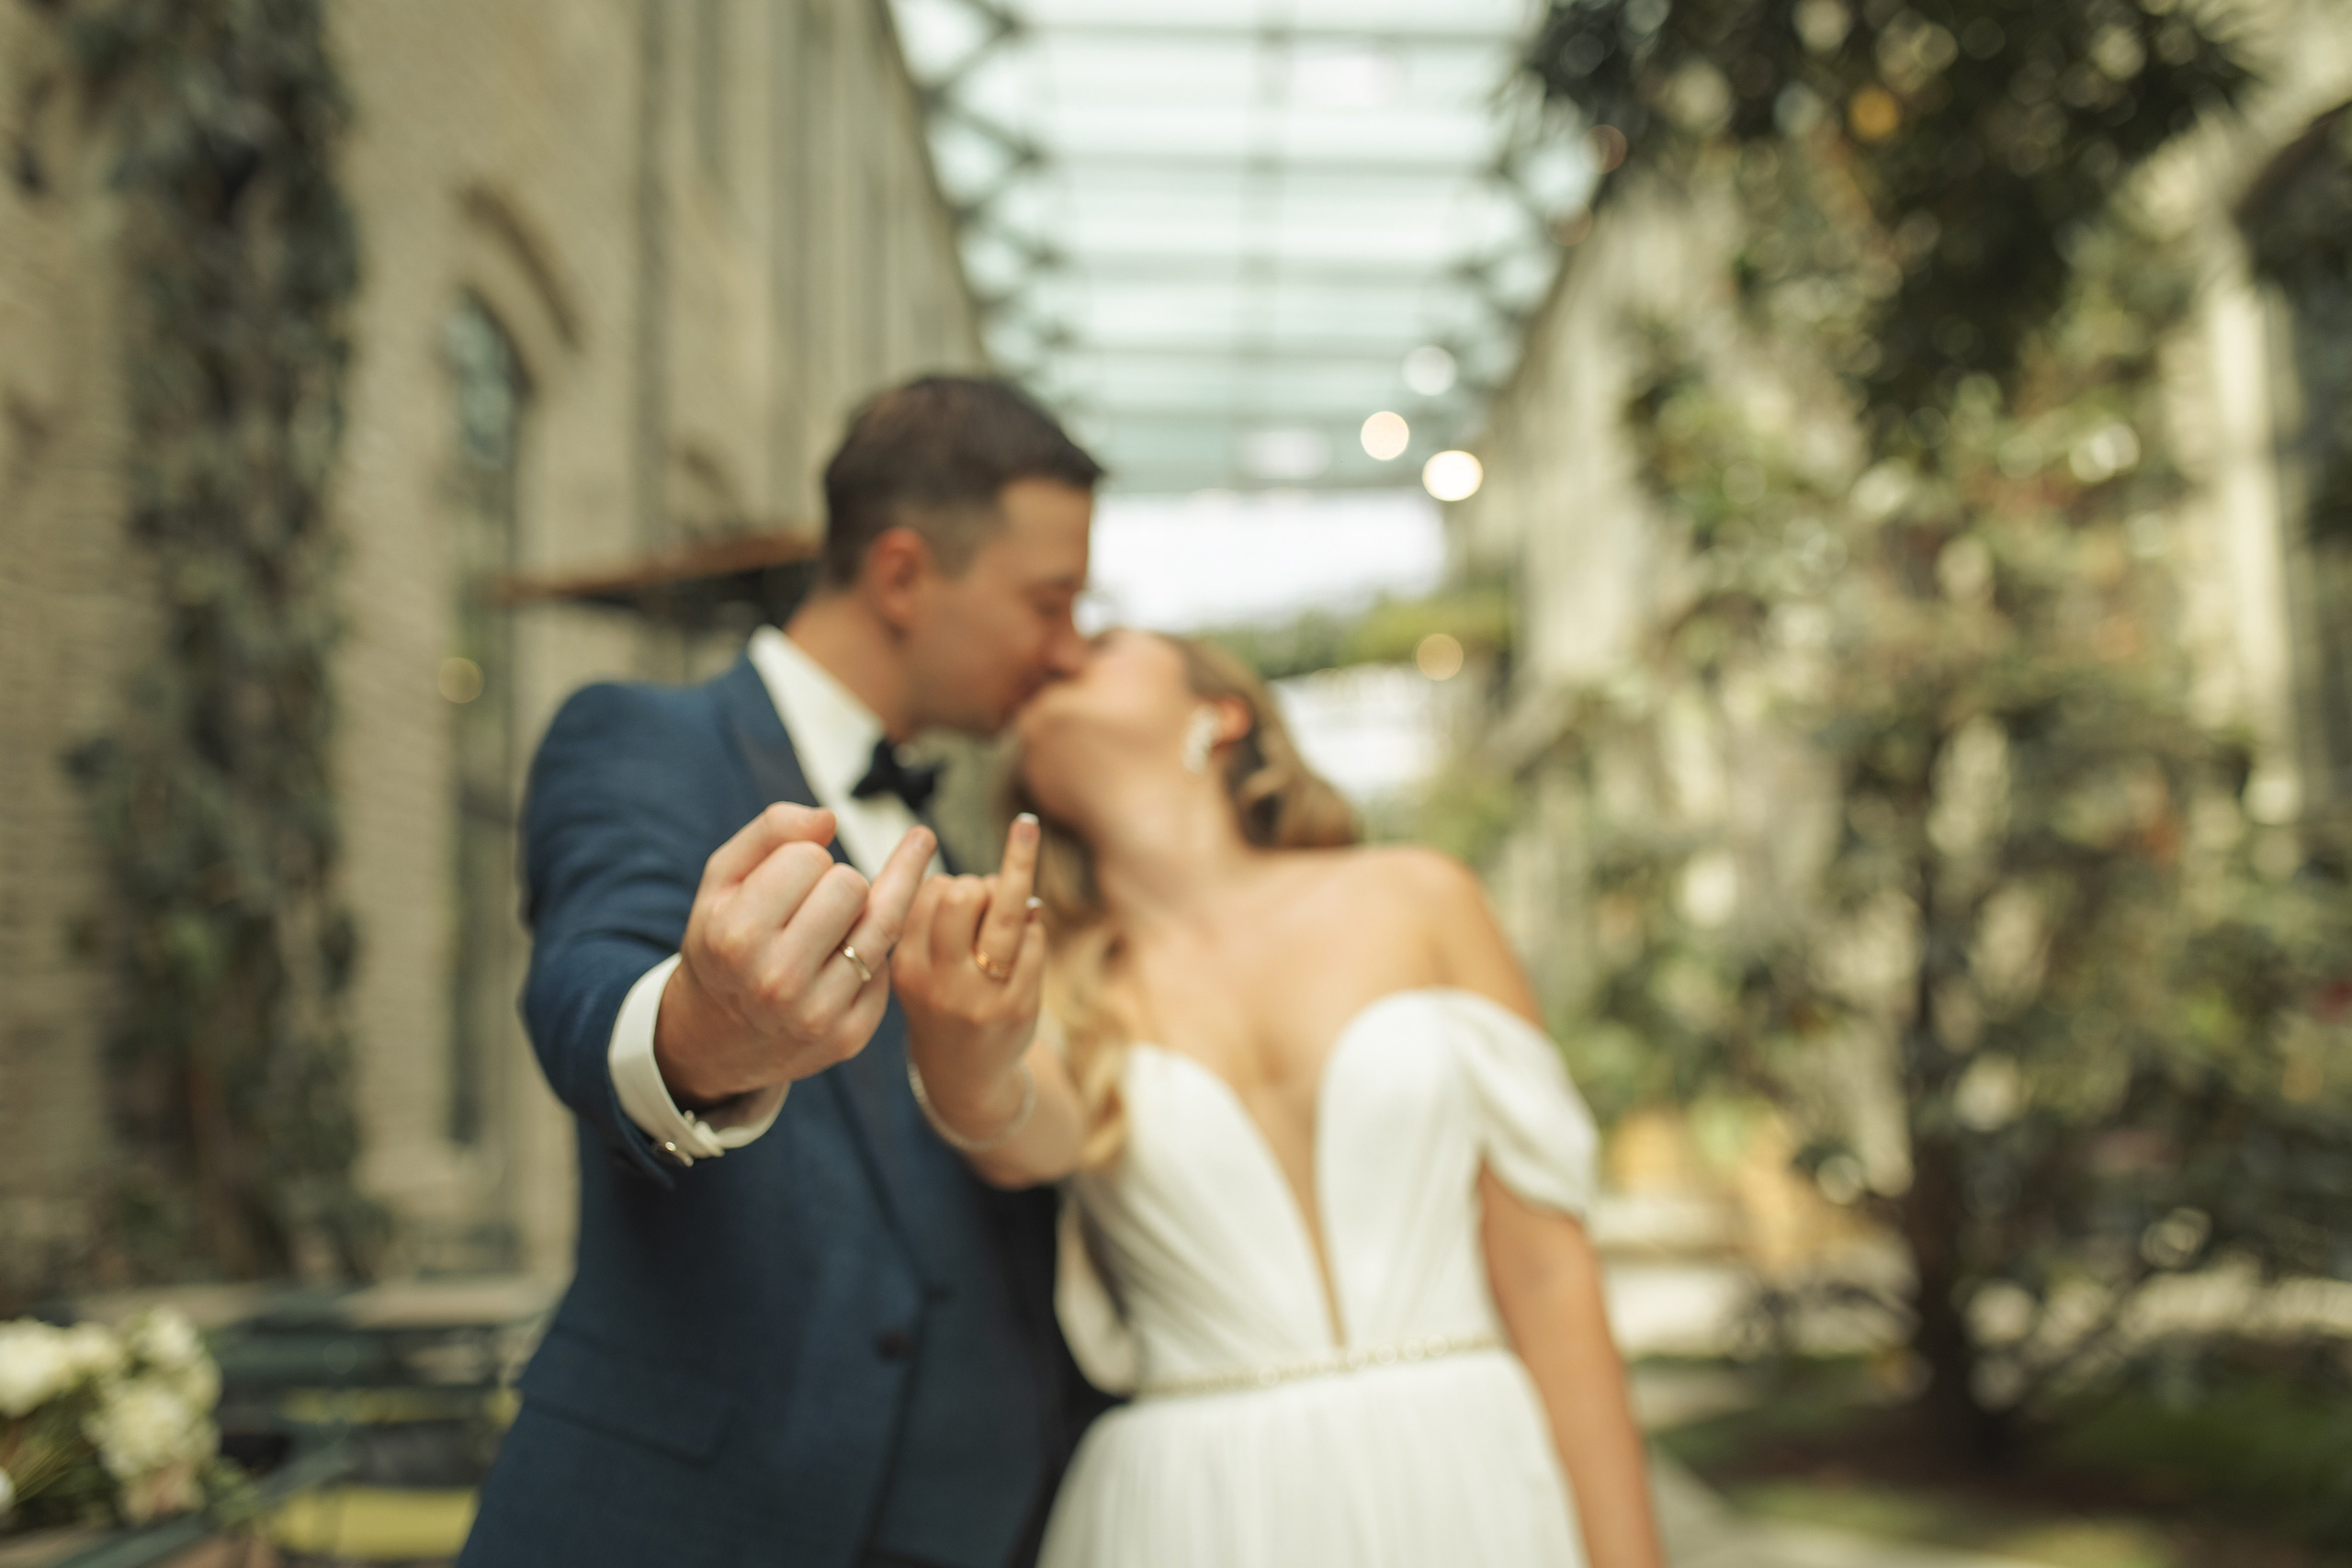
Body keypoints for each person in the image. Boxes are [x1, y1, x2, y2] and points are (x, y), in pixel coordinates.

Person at [460, 377, 1106, 1568]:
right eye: (1048, 601)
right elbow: (586, 980)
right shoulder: (644, 735)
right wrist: (707, 1032)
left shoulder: (956, 852)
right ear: (904, 573)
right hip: (688, 1525)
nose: (1066, 649)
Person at [891, 631, 1670, 1568]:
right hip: (1195, 1508)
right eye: (1039, 667)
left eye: (1095, 644)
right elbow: (1014, 1136)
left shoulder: (1421, 901)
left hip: (1470, 1472)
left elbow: (1548, 1274)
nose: (1051, 655)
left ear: (1218, 716)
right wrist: (959, 1048)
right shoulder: (1043, 978)